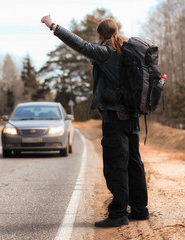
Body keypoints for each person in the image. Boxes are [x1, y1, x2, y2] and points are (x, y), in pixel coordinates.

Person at [41, 15, 149, 228]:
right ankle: (140, 210)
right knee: (133, 164)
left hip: (115, 119)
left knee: (115, 165)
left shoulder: (106, 53)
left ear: (100, 35)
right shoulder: (128, 52)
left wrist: (53, 26)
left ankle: (118, 213)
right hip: (132, 116)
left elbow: (79, 45)